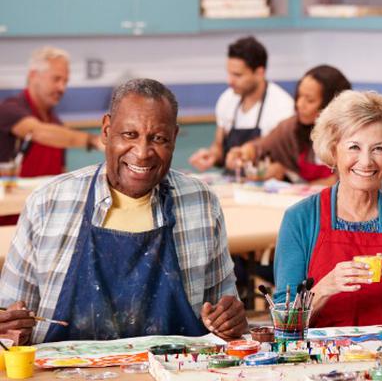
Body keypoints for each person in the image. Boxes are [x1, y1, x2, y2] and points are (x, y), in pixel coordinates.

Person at [0, 78, 246, 344]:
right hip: (64, 379)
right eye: (130, 135)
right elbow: (8, 320)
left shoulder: (201, 203)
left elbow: (227, 317)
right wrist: (9, 328)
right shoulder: (48, 204)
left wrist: (230, 321)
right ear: (106, 131)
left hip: (173, 375)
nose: (142, 153)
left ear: (174, 138)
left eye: (159, 138)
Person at [274, 90, 382, 327]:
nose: (366, 161)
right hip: (322, 360)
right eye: (354, 147)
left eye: (379, 149)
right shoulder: (300, 219)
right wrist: (324, 288)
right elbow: (283, 322)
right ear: (334, 151)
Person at [224, 64, 350, 183]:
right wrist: (245, 152)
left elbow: (343, 182)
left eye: (310, 100)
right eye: (299, 96)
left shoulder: (351, 135)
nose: (300, 104)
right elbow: (262, 146)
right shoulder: (291, 127)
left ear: (331, 105)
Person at [188, 36, 294, 171]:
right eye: (229, 73)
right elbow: (219, 146)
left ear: (259, 73)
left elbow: (284, 163)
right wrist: (212, 156)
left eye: (238, 75)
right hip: (232, 182)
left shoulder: (282, 106)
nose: (230, 81)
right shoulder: (227, 99)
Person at [0, 46, 103, 177]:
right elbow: (37, 132)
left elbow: (60, 171)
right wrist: (93, 140)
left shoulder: (57, 124)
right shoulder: (8, 110)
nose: (62, 88)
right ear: (33, 76)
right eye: (56, 79)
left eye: (65, 81)